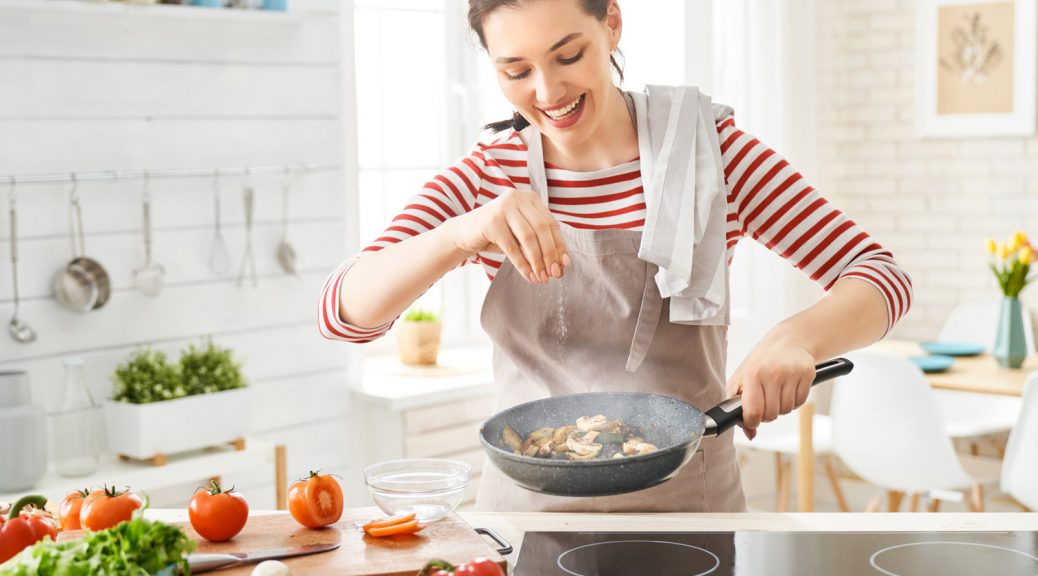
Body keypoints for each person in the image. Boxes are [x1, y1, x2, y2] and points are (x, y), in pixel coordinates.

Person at [320, 0, 912, 512]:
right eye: (516, 70)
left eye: (568, 55)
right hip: (529, 518)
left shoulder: (714, 158)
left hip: (688, 510)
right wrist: (460, 235)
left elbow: (883, 278)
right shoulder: (488, 178)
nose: (548, 93)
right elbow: (342, 313)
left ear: (612, 24)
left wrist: (798, 337)